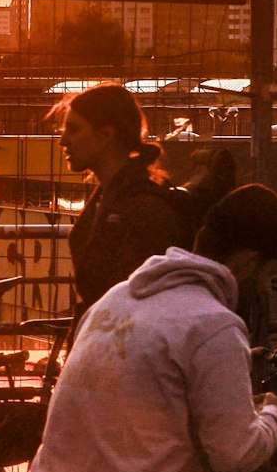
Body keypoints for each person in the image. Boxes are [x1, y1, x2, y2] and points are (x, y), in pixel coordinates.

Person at [25, 185, 277, 472]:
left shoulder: (115, 299)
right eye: (269, 275)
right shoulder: (212, 324)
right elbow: (235, 456)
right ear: (247, 260)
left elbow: (143, 416)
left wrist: (241, 405)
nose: (267, 289)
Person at [58, 82, 194, 311]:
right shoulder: (119, 199)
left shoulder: (143, 211)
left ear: (106, 135)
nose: (63, 140)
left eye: (73, 129)